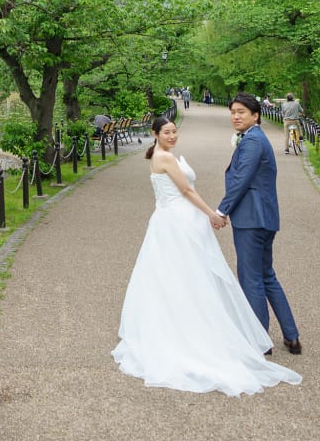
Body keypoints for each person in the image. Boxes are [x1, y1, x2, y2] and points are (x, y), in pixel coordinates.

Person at [112, 115, 301, 395]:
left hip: (176, 219)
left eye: (175, 131)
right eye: (167, 132)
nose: (172, 136)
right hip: (176, 221)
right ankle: (213, 332)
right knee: (187, 276)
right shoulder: (164, 158)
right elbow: (186, 190)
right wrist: (214, 213)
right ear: (155, 134)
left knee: (186, 275)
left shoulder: (165, 155)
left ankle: (267, 334)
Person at [216, 92, 302, 354]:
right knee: (266, 276)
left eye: (241, 112)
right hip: (263, 218)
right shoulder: (255, 138)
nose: (235, 116)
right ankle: (291, 336)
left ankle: (259, 341)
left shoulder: (253, 141)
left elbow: (241, 179)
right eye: (233, 112)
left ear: (256, 115)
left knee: (251, 278)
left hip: (252, 220)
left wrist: (222, 211)